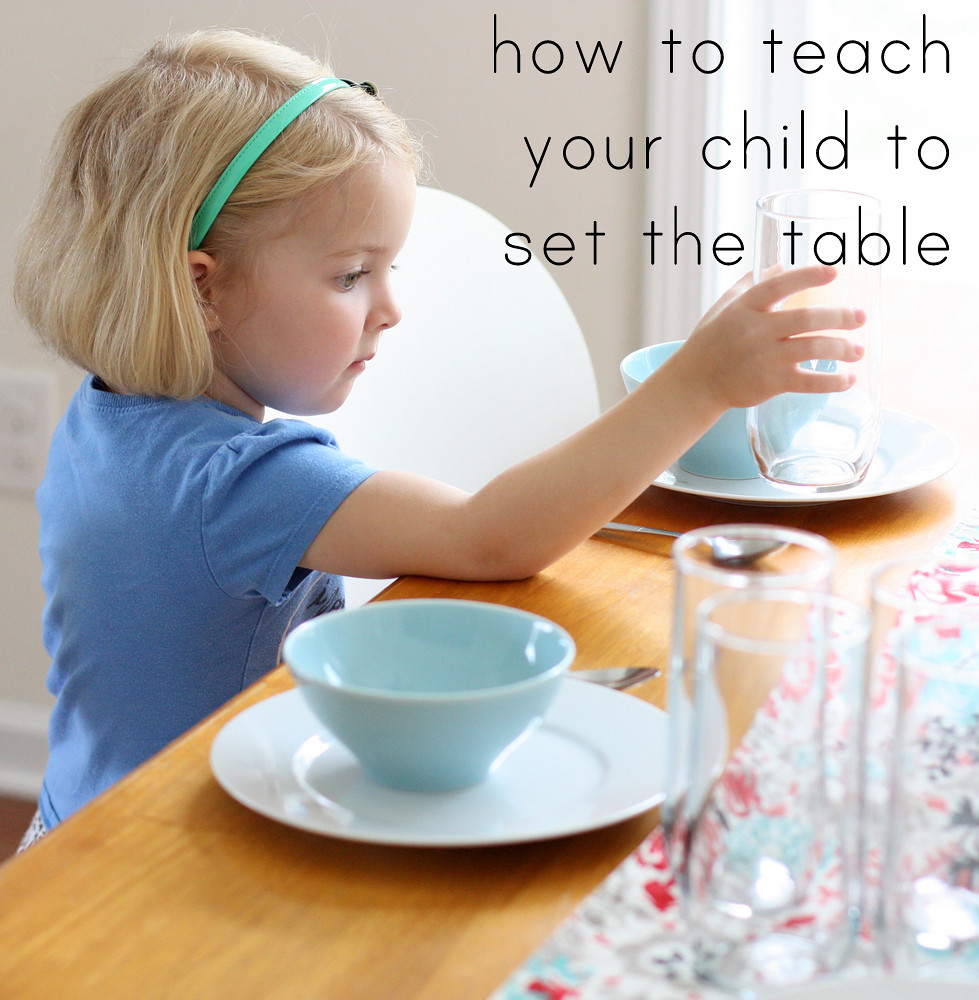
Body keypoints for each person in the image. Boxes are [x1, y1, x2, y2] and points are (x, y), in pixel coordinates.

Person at [12, 28, 864, 849]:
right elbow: (490, 537)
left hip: (72, 827)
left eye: (391, 269)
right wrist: (698, 384)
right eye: (350, 275)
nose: (390, 308)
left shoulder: (107, 418)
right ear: (204, 290)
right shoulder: (238, 483)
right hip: (170, 861)